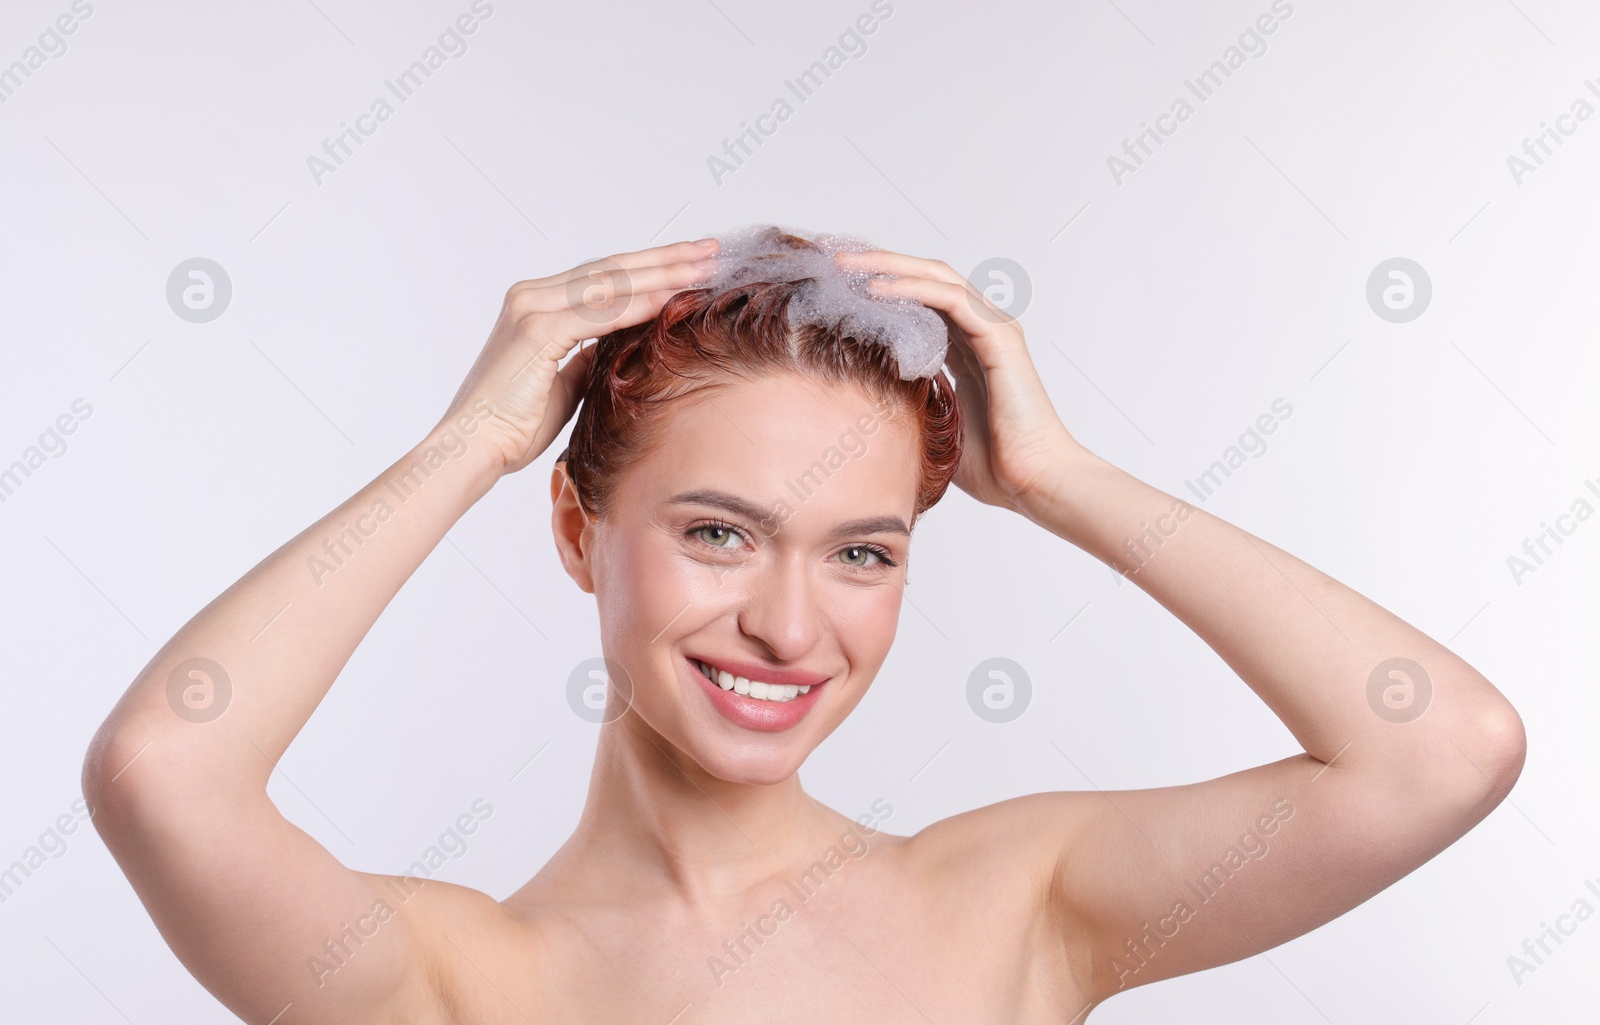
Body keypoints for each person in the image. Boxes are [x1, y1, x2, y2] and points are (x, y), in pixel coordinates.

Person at [82, 230, 1526, 1023]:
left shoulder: (1023, 904)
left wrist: (1061, 479)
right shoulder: (455, 984)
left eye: (862, 551)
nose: (787, 625)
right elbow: (165, 776)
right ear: (582, 535)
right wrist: (470, 442)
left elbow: (1442, 749)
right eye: (719, 532)